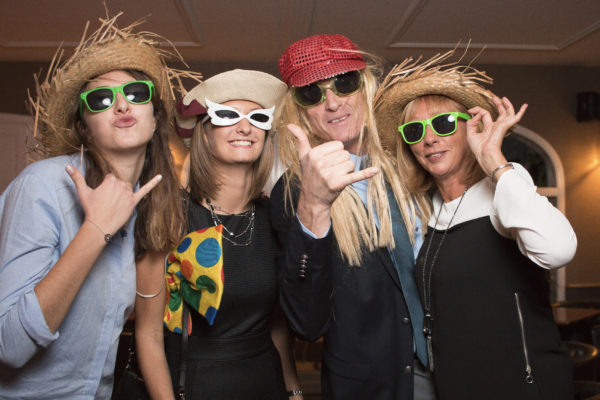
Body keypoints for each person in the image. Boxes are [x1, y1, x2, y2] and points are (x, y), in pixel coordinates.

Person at [0, 13, 194, 399]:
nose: (122, 105)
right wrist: (95, 230)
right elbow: (10, 348)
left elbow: (145, 334)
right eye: (101, 99)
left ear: (156, 120)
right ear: (85, 126)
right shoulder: (42, 186)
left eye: (137, 94)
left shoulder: (148, 204)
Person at [375, 51, 576, 399]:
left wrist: (495, 162)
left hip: (520, 385)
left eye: (443, 124)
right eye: (414, 130)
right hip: (457, 384)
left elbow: (558, 250)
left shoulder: (504, 186)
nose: (429, 139)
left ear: (470, 128)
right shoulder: (430, 208)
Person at [270, 34, 434, 399]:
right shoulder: (293, 192)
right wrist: (314, 208)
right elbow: (306, 324)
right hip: (370, 386)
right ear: (299, 110)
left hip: (450, 369)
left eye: (344, 83)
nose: (331, 103)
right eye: (312, 93)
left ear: (366, 87)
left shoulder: (412, 162)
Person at [135, 69, 303, 400]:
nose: (245, 127)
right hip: (195, 386)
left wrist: (294, 391)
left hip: (265, 384)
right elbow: (148, 332)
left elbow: (278, 326)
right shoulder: (169, 215)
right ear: (204, 134)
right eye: (227, 115)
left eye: (257, 118)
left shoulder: (277, 216)